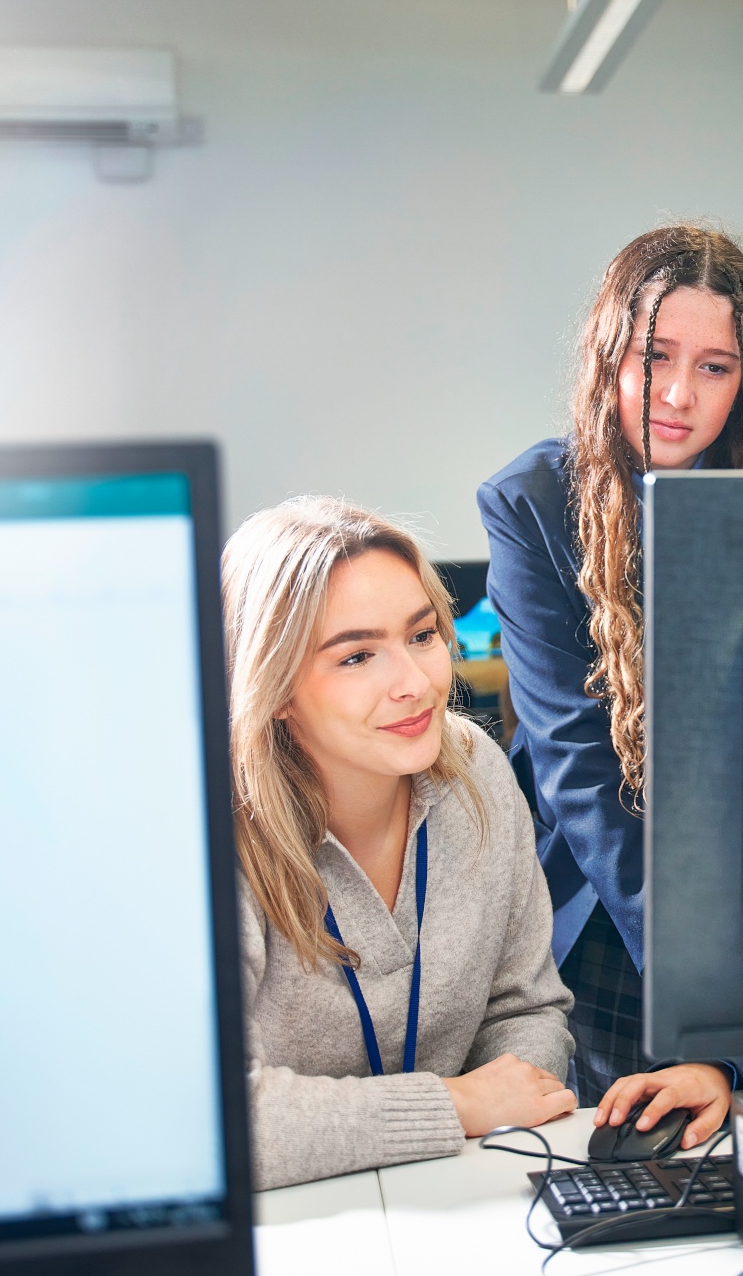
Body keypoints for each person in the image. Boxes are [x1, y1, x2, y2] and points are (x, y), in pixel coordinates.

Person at [477, 225, 743, 1144]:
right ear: (610, 353)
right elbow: (583, 779)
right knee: (660, 1131)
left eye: (716, 367)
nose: (680, 395)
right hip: (622, 884)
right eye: (655, 357)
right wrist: (707, 1011)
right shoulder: (533, 501)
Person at [226, 497, 576, 1190]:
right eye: (357, 655)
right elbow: (215, 1117)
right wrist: (456, 1105)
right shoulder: (216, 831)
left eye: (421, 636)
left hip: (464, 1195)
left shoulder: (474, 765)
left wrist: (498, 1138)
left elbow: (527, 1008)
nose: (416, 684)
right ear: (276, 687)